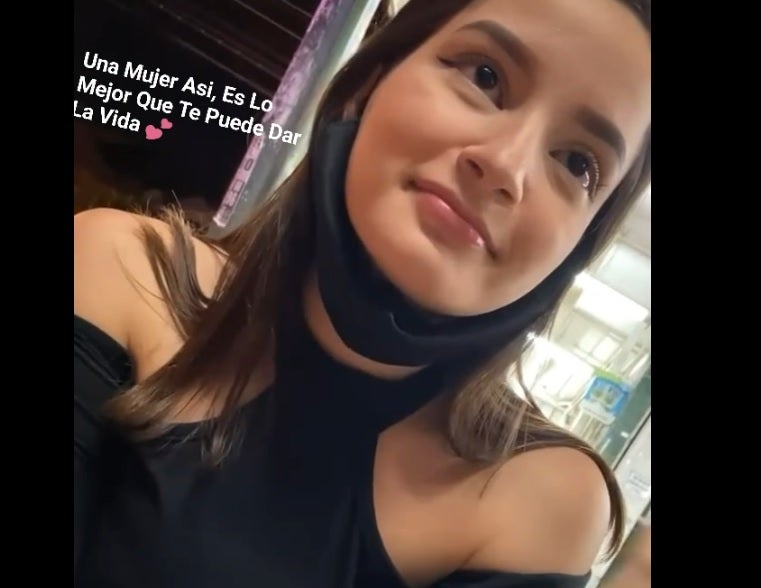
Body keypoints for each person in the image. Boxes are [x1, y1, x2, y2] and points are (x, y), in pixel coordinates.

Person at [73, 0, 651, 586]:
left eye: (577, 163)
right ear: (368, 82)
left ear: (579, 245)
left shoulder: (537, 500)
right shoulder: (121, 270)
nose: (507, 166)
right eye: (484, 76)